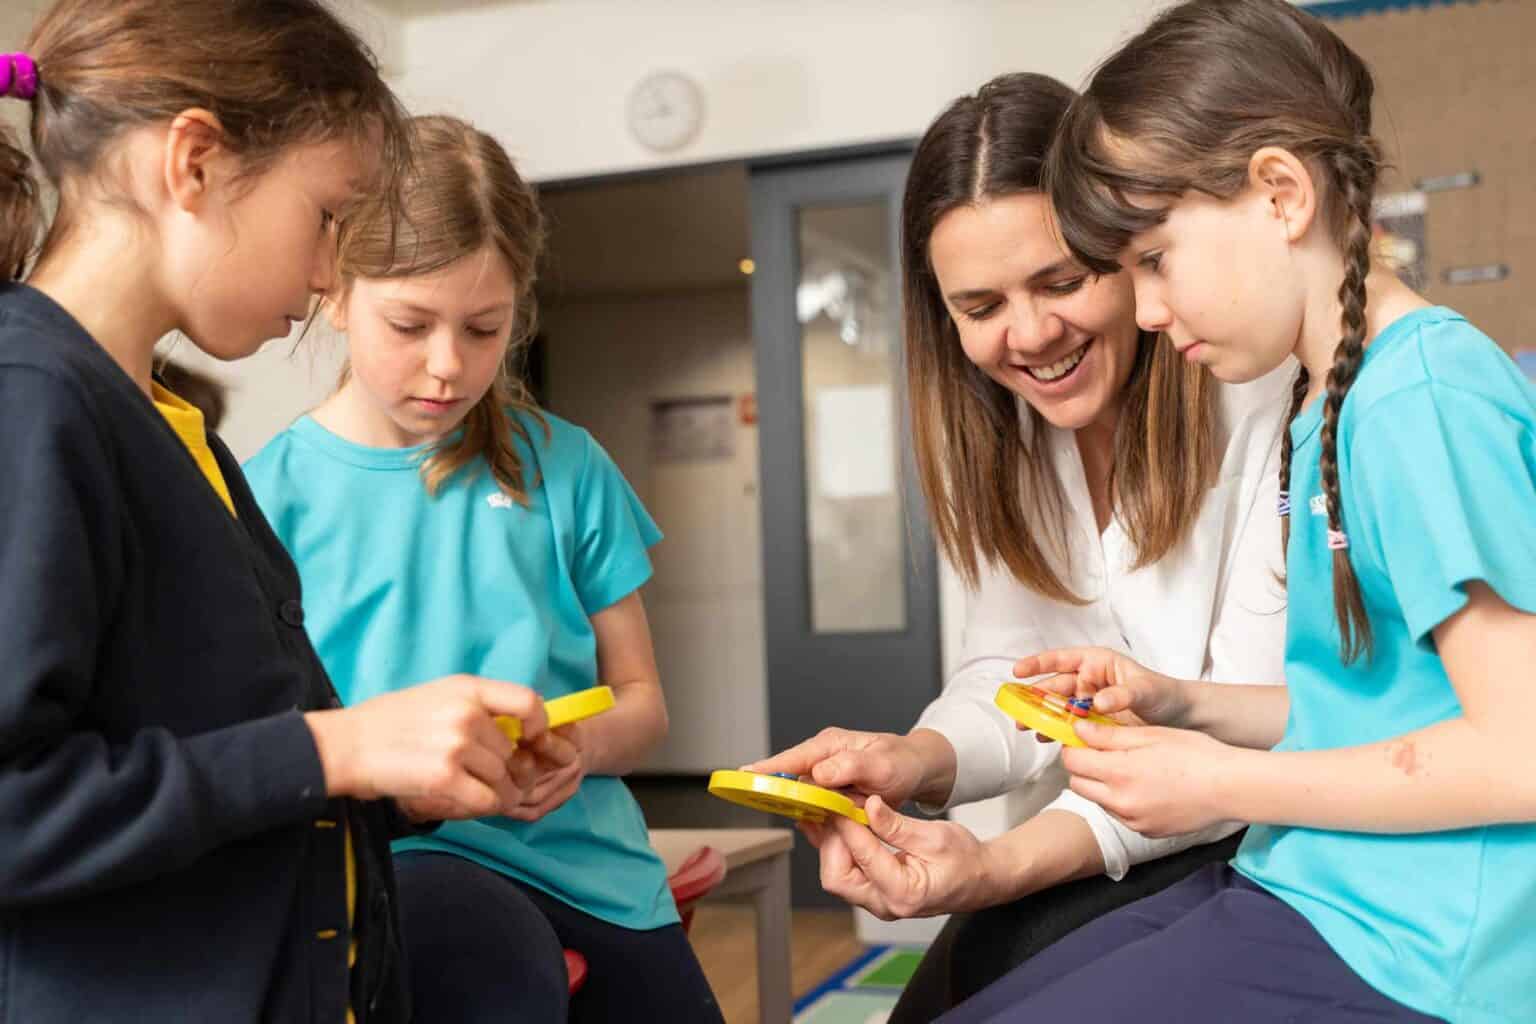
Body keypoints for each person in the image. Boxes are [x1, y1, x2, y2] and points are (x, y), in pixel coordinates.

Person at [936, 1, 1536, 1020]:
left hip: (1425, 943)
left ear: (1280, 193)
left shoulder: (1422, 399)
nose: (1149, 310)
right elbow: (1387, 708)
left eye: (1154, 260)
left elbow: (1522, 754)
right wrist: (1182, 702)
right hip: (1315, 881)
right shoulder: (1331, 404)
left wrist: (1219, 783)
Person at [0, 7, 553, 1021]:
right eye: (328, 215)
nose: (327, 270)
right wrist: (336, 750)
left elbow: (216, 764)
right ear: (195, 163)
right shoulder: (29, 400)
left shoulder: (174, 426)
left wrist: (391, 777)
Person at [748, 72, 1291, 1020]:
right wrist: (913, 761)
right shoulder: (1021, 438)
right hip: (1116, 831)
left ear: (1132, 256)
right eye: (981, 306)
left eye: (1063, 281)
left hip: (1263, 845)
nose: (1031, 335)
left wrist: (997, 867)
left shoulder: (1255, 402)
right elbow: (1014, 675)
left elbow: (1230, 765)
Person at [246, 115, 724, 1024]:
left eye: (483, 328)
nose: (446, 364)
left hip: (592, 870)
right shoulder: (269, 496)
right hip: (400, 862)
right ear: (335, 290)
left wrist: (577, 750)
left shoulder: (569, 465)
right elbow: (271, 745)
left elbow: (642, 702)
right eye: (410, 323)